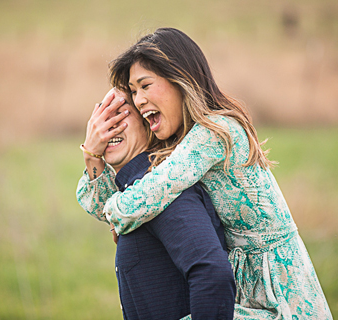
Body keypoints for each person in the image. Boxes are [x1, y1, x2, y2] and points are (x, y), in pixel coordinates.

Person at [78, 27, 331, 318]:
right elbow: (114, 207)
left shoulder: (215, 131)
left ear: (179, 79)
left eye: (145, 86)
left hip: (281, 293)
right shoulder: (182, 143)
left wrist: (118, 216)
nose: (138, 100)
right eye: (133, 92)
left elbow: (153, 191)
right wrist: (92, 154)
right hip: (246, 286)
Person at [78, 90, 235, 319]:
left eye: (120, 115)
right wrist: (91, 155)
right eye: (102, 116)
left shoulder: (159, 192)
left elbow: (213, 274)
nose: (107, 128)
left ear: (148, 125)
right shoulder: (133, 194)